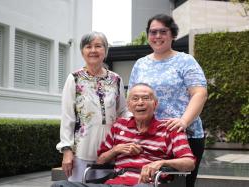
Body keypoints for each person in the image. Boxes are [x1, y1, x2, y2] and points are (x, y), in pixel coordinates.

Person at [52, 83, 195, 187]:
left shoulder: (170, 128)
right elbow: (101, 161)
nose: (140, 103)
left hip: (147, 184)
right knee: (60, 186)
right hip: (115, 182)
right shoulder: (119, 125)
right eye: (135, 99)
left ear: (155, 104)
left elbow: (189, 163)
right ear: (129, 105)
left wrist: (161, 163)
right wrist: (116, 149)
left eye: (146, 98)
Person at [128, 14, 208, 187]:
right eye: (153, 32)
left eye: (163, 31)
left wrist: (184, 122)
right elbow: (132, 98)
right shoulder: (140, 64)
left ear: (172, 34)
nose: (157, 36)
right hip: (149, 138)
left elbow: (200, 93)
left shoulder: (186, 61)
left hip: (184, 136)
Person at [56, 31, 128, 182]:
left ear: (106, 50)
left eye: (98, 46)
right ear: (82, 51)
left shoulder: (116, 79)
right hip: (82, 150)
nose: (93, 50)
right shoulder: (74, 78)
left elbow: (123, 112)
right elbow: (67, 116)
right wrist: (67, 151)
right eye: (88, 46)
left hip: (110, 149)